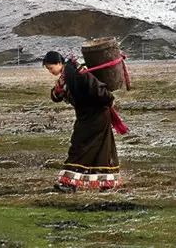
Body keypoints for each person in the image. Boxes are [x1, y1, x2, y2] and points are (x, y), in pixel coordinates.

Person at [43, 51, 121, 193]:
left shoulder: (77, 73)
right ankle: (106, 183)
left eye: (50, 68)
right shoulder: (66, 77)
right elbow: (56, 96)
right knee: (101, 147)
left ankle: (69, 183)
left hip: (95, 115)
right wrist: (57, 90)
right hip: (90, 115)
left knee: (79, 145)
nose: (50, 71)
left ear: (59, 63)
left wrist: (108, 99)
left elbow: (96, 88)